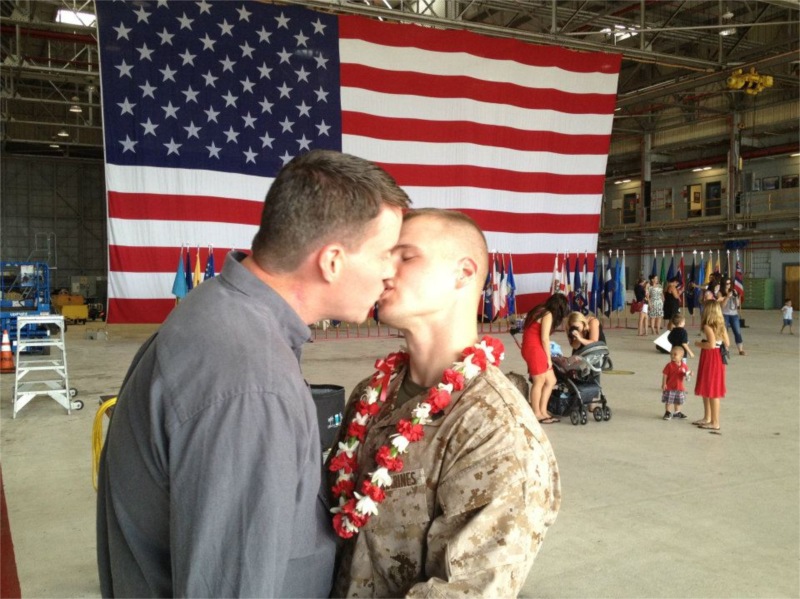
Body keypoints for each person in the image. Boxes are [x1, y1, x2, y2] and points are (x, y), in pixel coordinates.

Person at [96, 150, 411, 597]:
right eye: (385, 254)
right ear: (332, 261)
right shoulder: (252, 381)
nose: (391, 274)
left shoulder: (222, 310)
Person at [327, 209, 561, 597]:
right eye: (385, 257)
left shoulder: (495, 430)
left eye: (405, 256)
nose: (384, 271)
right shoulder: (371, 394)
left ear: (463, 273)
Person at [521, 293, 571, 423]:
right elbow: (544, 338)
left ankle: (543, 411)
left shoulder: (540, 309)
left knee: (551, 380)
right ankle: (536, 413)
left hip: (531, 347)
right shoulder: (548, 314)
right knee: (539, 381)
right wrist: (549, 359)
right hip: (535, 349)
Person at [693, 300, 730, 433]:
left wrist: (698, 344)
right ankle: (708, 418)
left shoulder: (707, 327)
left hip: (710, 357)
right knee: (708, 387)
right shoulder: (721, 326)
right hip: (718, 357)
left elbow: (711, 344)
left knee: (712, 389)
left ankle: (715, 421)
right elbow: (727, 343)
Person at [661, 345, 691, 420]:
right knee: (669, 400)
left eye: (675, 354)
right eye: (671, 354)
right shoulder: (669, 365)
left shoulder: (684, 365)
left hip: (679, 387)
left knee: (678, 401)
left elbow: (686, 373)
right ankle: (667, 412)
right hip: (670, 387)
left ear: (681, 356)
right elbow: (665, 374)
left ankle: (677, 412)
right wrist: (664, 383)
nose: (672, 356)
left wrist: (689, 374)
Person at [720, 276, 746, 355]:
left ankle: (740, 349)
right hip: (725, 314)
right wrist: (727, 297)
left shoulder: (733, 291)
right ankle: (725, 349)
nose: (728, 285)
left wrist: (736, 296)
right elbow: (722, 306)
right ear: (723, 284)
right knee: (725, 332)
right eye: (727, 283)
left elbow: (737, 304)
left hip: (734, 314)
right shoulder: (720, 293)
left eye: (729, 283)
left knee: (737, 332)